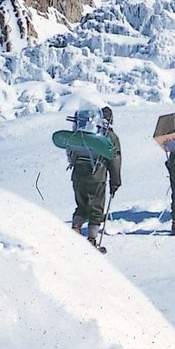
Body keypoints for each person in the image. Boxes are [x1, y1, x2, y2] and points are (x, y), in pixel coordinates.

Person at [67, 106, 122, 248]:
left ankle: (75, 231)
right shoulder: (108, 135)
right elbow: (114, 159)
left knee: (81, 206)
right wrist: (115, 181)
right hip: (96, 177)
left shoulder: (81, 132)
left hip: (77, 174)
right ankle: (91, 241)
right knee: (96, 210)